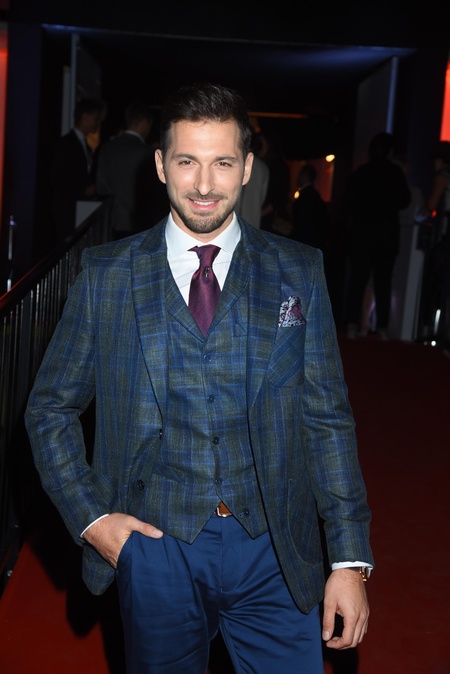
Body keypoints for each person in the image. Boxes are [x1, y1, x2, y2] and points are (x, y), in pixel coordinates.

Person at [25, 82, 374, 674]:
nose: (205, 184)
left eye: (223, 163)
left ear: (247, 169)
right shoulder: (107, 275)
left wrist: (348, 559)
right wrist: (93, 520)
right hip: (156, 545)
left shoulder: (299, 270)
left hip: (274, 547)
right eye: (188, 161)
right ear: (162, 165)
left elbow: (327, 420)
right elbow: (49, 409)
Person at [343, 131, 411, 340]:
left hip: (362, 235)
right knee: (383, 282)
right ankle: (382, 327)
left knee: (358, 280)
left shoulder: (361, 172)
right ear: (390, 152)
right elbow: (405, 200)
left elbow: (348, 202)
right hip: (385, 236)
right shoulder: (395, 173)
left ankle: (352, 324)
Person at [96, 101, 167, 239]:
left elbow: (101, 188)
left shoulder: (106, 149)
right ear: (145, 123)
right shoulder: (147, 154)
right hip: (141, 224)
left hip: (111, 223)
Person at [49, 97, 106, 242]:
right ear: (85, 117)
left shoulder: (85, 146)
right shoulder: (65, 144)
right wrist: (84, 191)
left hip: (80, 210)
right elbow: (58, 179)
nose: (98, 123)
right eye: (96, 118)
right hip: (67, 210)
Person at [415, 140, 450, 351]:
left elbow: (431, 205)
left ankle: (442, 334)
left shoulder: (443, 176)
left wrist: (419, 215)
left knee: (441, 285)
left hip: (446, 237)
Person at [290, 163, 330, 252]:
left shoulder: (306, 196)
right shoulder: (314, 195)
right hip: (312, 243)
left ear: (304, 176)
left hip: (305, 243)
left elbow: (300, 221)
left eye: (299, 174)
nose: (297, 177)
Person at [235, 132, 269, 228]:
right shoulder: (263, 168)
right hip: (253, 220)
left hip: (232, 220)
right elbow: (262, 198)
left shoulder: (234, 163)